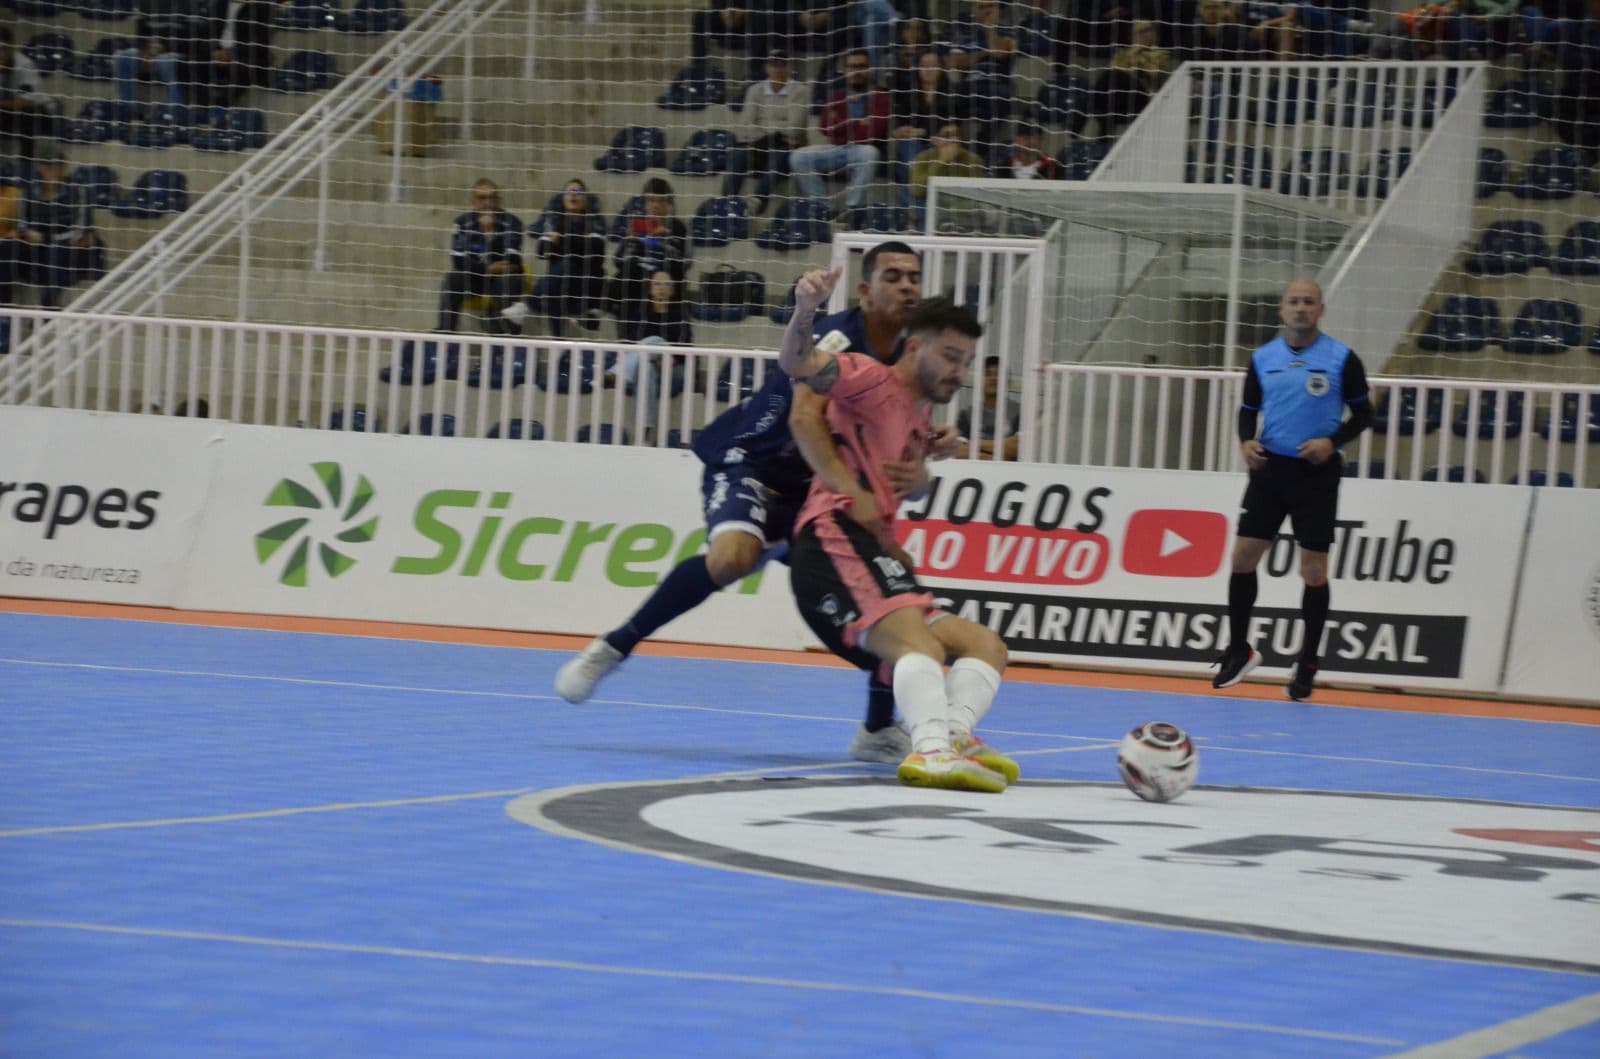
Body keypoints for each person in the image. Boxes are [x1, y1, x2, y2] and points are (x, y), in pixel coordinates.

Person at [556, 242, 945, 767]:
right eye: (893, 276)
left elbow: (900, 445)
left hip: (819, 492)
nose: (906, 286)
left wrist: (927, 458)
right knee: (733, 557)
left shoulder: (910, 358)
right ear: (865, 289)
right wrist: (855, 495)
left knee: (890, 604)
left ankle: (878, 727)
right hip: (756, 464)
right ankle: (614, 646)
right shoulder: (840, 337)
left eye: (914, 277)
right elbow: (803, 418)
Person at [780, 271, 1016, 792]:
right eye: (951, 357)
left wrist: (926, 470)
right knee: (921, 651)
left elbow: (903, 482)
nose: (961, 372)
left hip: (872, 551)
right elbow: (797, 366)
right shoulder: (869, 377)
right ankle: (930, 751)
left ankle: (951, 737)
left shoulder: (919, 414)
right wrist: (805, 311)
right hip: (831, 540)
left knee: (986, 646)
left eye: (968, 363)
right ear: (914, 349)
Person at [1212, 279, 1372, 701]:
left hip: (1315, 473)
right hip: (1269, 469)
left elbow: (1363, 413)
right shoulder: (1263, 359)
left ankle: (1308, 662)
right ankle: (1238, 648)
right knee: (1243, 558)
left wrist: (1331, 441)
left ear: (1320, 310)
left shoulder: (1341, 359)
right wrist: (1246, 441)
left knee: (1313, 571)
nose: (1300, 309)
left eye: (1308, 302)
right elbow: (1247, 412)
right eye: (1293, 302)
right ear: (1282, 311)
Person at [790, 49, 890, 223]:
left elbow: (876, 132)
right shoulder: (836, 96)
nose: (857, 71)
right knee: (798, 156)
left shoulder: (880, 97)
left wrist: (843, 126)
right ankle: (823, 207)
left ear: (869, 69)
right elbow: (825, 127)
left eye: (861, 66)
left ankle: (851, 208)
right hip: (836, 149)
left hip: (861, 151)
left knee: (870, 153)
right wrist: (857, 122)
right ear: (845, 70)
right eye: (852, 66)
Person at [508, 178, 607, 337]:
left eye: (578, 192)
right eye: (569, 191)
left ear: (585, 199)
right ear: (562, 198)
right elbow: (541, 250)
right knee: (555, 288)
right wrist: (555, 240)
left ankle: (527, 305)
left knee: (567, 264)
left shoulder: (594, 221)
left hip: (586, 285)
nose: (573, 195)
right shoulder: (554, 221)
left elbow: (595, 250)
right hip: (559, 288)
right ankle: (559, 345)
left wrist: (561, 240)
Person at [18, 143, 106, 310]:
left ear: (64, 166)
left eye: (57, 166)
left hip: (67, 248)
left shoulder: (78, 190)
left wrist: (45, 238)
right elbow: (23, 226)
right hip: (37, 249)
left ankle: (47, 307)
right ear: (40, 167)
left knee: (58, 251)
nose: (53, 171)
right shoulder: (29, 192)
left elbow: (80, 231)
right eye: (48, 166)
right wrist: (32, 236)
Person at [722, 50, 810, 216]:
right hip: (760, 146)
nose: (778, 68)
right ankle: (725, 203)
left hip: (787, 150)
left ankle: (759, 201)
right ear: (766, 67)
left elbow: (796, 128)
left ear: (790, 68)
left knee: (779, 155)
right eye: (773, 64)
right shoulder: (755, 90)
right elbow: (743, 128)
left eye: (782, 64)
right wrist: (778, 131)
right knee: (738, 154)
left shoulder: (801, 91)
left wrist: (761, 125)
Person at [436, 178, 526, 335]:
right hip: (475, 279)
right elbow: (458, 262)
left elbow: (513, 262)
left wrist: (490, 236)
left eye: (492, 198)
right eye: (482, 198)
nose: (488, 203)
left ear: (499, 201)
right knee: (452, 279)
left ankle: (509, 336)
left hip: (502, 279)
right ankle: (445, 333)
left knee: (511, 280)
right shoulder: (462, 223)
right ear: (473, 201)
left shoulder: (512, 223)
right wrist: (489, 268)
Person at [609, 177, 691, 335]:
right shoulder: (638, 226)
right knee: (628, 271)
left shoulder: (679, 228)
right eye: (651, 200)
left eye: (660, 201)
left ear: (669, 203)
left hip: (664, 279)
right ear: (645, 203)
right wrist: (630, 242)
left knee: (647, 277)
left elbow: (684, 265)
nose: (655, 205)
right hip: (636, 279)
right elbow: (617, 261)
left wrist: (664, 243)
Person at [889, 48, 960, 208]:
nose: (927, 70)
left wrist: (923, 132)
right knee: (910, 147)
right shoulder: (907, 94)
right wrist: (899, 131)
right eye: (923, 65)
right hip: (911, 147)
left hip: (939, 148)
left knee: (904, 181)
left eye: (933, 65)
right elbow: (900, 124)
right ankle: (922, 210)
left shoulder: (952, 94)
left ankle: (917, 211)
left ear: (942, 68)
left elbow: (950, 128)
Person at [192, 0, 280, 108]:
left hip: (248, 57)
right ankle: (203, 109)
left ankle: (219, 110)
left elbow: (259, 42)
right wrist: (216, 51)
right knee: (189, 65)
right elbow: (208, 32)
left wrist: (230, 54)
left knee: (241, 70)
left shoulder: (261, 7)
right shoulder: (220, 4)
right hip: (218, 53)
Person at [0, 28, 64, 164]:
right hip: (9, 112)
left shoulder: (24, 65)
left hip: (43, 113)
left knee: (26, 114)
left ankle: (26, 165)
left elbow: (26, 101)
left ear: (11, 46)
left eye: (3, 49)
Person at [908, 121, 985, 228]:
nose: (953, 140)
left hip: (961, 208)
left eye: (956, 136)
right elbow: (918, 191)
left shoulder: (974, 160)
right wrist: (942, 162)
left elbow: (977, 194)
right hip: (930, 205)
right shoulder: (923, 158)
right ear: (936, 140)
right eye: (947, 136)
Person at [957, 355, 1020, 459]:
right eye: (987, 374)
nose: (993, 378)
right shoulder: (967, 415)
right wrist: (995, 457)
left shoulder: (1019, 413)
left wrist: (973, 445)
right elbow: (958, 451)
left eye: (999, 374)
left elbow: (1014, 449)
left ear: (1009, 383)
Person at [991, 122, 1061, 180]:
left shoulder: (1052, 167)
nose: (1032, 142)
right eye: (1026, 138)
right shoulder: (1003, 166)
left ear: (1042, 141)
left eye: (1036, 138)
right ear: (1016, 140)